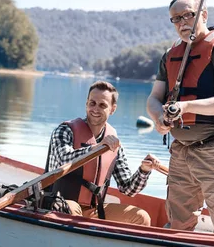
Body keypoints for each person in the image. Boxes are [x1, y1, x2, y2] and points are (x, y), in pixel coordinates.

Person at [146, 0, 214, 235]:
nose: (182, 23)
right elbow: (154, 98)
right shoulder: (171, 55)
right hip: (181, 150)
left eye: (188, 15)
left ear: (203, 14)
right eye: (176, 19)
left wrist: (186, 107)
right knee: (177, 224)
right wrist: (158, 118)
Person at [46, 80, 161, 226]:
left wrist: (144, 171)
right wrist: (96, 148)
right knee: (73, 211)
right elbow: (64, 160)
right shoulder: (64, 131)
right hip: (59, 203)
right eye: (92, 103)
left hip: (94, 210)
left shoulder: (113, 143)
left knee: (141, 217)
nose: (95, 109)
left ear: (113, 109)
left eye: (102, 105)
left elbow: (127, 189)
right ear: (86, 103)